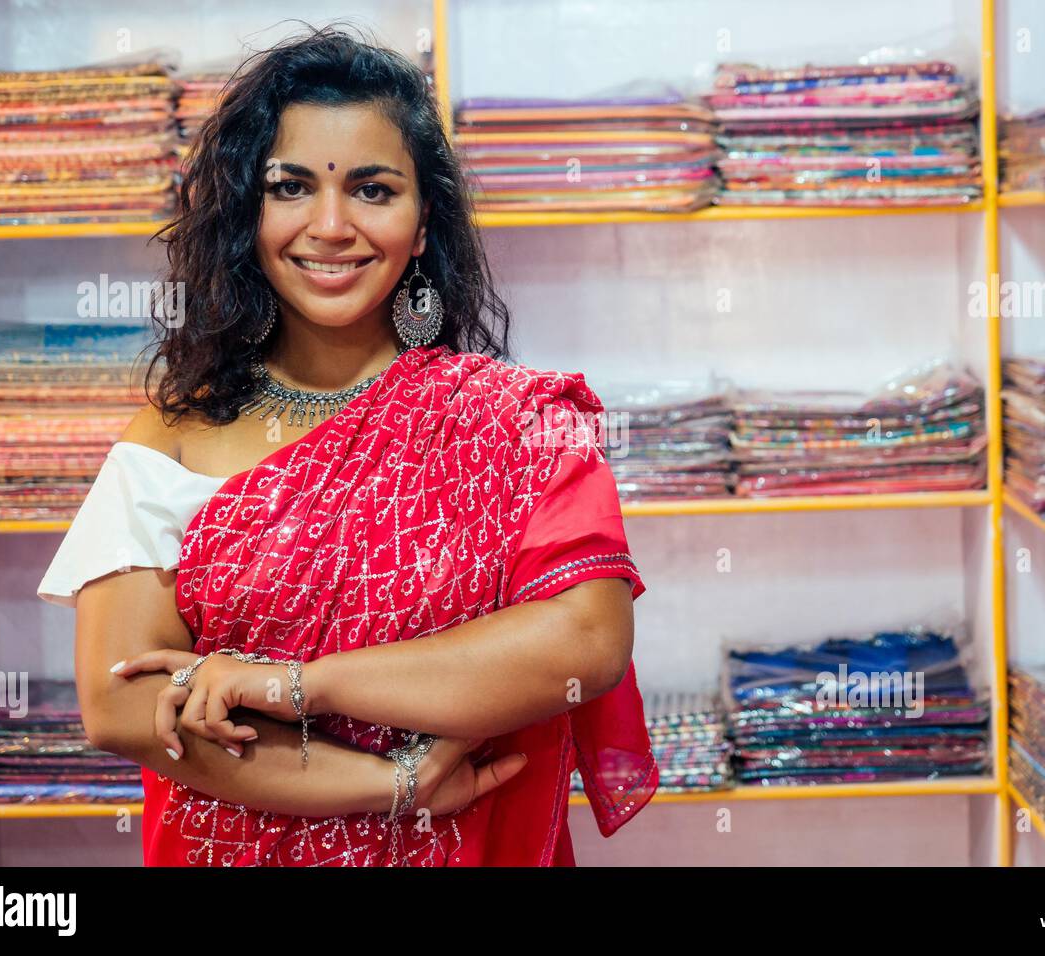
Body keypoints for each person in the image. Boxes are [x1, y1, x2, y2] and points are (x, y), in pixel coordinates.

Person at [36, 25, 657, 866]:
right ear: (245, 212)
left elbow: (586, 645)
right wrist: (396, 785)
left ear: (424, 219)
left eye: (372, 189)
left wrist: (291, 684)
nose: (330, 226)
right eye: (290, 187)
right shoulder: (172, 436)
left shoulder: (519, 423)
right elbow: (121, 707)